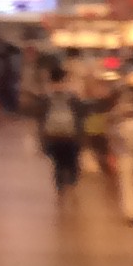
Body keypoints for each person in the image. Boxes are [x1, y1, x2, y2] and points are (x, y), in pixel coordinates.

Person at [35, 66, 85, 195]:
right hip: (70, 134)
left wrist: (41, 140)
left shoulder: (46, 97)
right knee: (71, 163)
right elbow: (80, 115)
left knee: (58, 164)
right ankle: (71, 189)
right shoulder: (72, 96)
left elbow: (40, 118)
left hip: (53, 135)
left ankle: (62, 191)